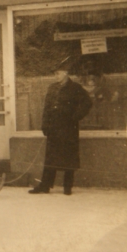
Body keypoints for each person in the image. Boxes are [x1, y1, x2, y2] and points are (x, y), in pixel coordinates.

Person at [29, 56, 93, 195]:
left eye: (58, 73)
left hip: (69, 128)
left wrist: (75, 117)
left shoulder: (75, 88)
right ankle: (45, 186)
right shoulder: (52, 88)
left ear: (66, 73)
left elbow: (87, 103)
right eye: (55, 73)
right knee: (51, 158)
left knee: (68, 157)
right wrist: (45, 125)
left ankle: (67, 187)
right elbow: (47, 108)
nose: (56, 76)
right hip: (53, 128)